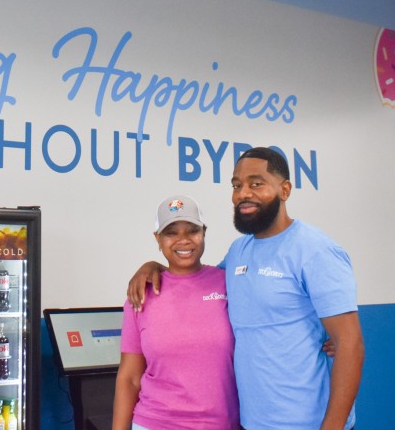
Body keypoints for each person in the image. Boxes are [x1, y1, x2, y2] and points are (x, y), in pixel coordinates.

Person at [127, 147, 364, 430]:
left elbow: (350, 344)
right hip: (252, 422)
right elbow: (193, 277)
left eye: (256, 183)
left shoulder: (316, 250)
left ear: (285, 189)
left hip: (307, 423)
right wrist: (154, 266)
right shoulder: (240, 251)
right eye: (236, 185)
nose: (243, 194)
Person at [113, 194, 239, 430]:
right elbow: (129, 379)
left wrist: (328, 338)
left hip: (221, 424)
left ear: (204, 233)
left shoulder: (229, 283)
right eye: (171, 233)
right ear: (158, 239)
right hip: (153, 423)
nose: (183, 240)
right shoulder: (140, 294)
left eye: (192, 231)